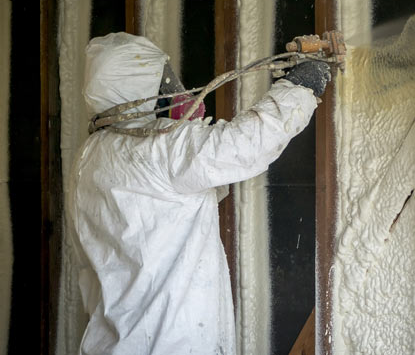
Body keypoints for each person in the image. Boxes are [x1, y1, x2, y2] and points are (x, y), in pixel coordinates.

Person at [66, 32, 331, 354]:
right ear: (142, 85)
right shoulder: (157, 150)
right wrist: (302, 84)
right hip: (169, 342)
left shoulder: (91, 154)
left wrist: (177, 118)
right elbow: (246, 145)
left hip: (114, 340)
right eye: (161, 82)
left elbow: (187, 192)